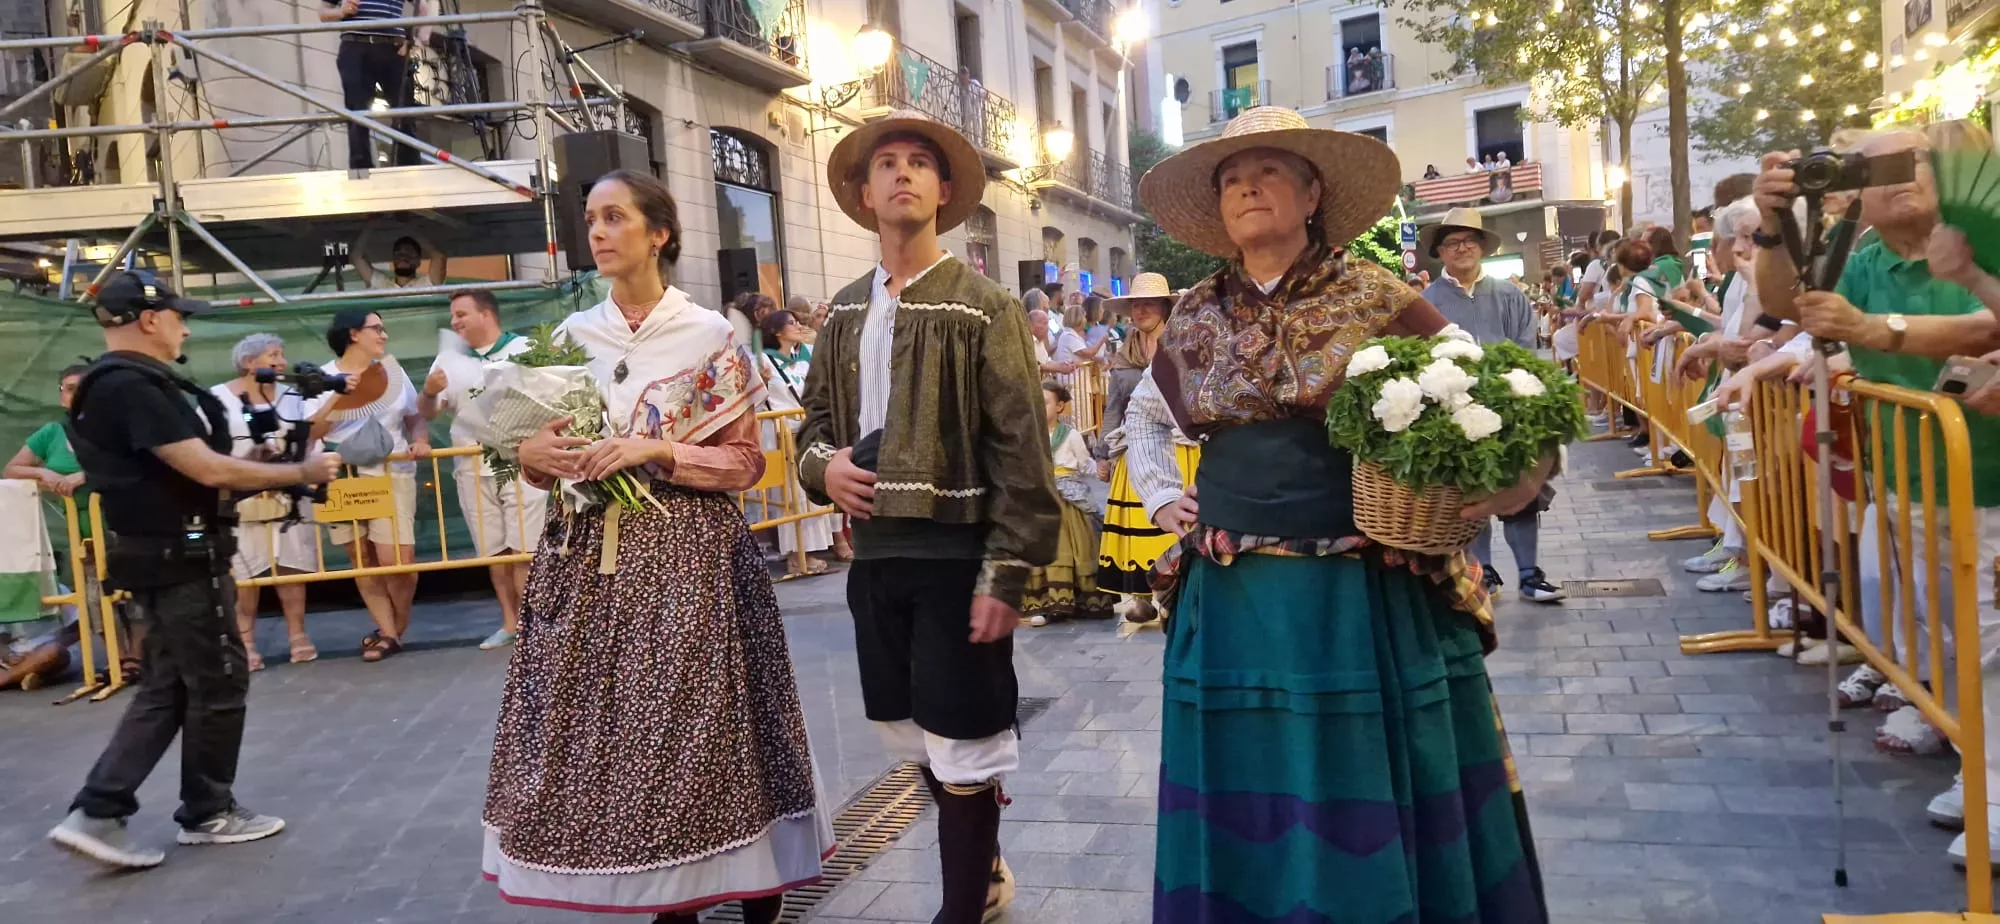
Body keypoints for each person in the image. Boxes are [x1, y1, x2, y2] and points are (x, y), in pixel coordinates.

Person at [1124, 106, 1550, 922]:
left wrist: (1519, 474)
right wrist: (1160, 497)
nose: (1248, 186)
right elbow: (1145, 415)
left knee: (1361, 770)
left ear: (1313, 191)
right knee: (1249, 781)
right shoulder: (1194, 315)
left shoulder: (1378, 296)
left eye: (1270, 170)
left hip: (1363, 588)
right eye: (1231, 178)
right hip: (1234, 592)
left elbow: (1486, 394)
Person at [483, 168, 831, 920]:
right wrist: (532, 458)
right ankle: (658, 890)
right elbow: (543, 457)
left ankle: (750, 879)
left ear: (659, 234)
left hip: (689, 566)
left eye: (615, 218)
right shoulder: (569, 340)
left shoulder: (708, 335)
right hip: (588, 570)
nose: (598, 233)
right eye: (591, 220)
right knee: (614, 749)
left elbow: (746, 462)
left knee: (707, 737)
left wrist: (659, 452)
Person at [796, 110, 1058, 923]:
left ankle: (965, 903)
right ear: (865, 191)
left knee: (965, 740)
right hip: (874, 561)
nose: (902, 173)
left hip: (956, 557)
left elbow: (1022, 447)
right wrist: (825, 468)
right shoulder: (841, 312)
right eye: (887, 164)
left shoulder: (984, 306)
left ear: (944, 192)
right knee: (907, 730)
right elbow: (811, 427)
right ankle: (984, 855)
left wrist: (1008, 571)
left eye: (920, 164)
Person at [1754, 124, 2000, 864]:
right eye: (1877, 166)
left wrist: (1876, 330)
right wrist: (1773, 227)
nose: (1898, 177)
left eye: (1912, 159)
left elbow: (1988, 324)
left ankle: (1993, 791)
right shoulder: (1858, 258)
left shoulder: (1979, 239)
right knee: (1945, 625)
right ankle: (1968, 751)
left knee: (1986, 637)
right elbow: (1792, 307)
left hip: (1986, 480)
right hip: (1903, 479)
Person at [46, 271, 342, 869]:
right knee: (218, 678)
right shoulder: (130, 385)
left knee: (170, 683)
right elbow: (203, 471)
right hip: (180, 556)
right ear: (149, 319)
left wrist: (251, 460)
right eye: (178, 314)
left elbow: (188, 467)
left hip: (163, 551)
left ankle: (102, 809)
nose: (184, 324)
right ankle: (204, 810)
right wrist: (297, 474)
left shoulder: (127, 384)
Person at [1421, 207, 1565, 603]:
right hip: (1457, 414)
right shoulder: (1427, 301)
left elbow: (1526, 347)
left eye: (1469, 240)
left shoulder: (1507, 293)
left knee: (1522, 494)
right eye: (1452, 242)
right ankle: (1485, 574)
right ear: (1440, 252)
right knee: (1472, 497)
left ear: (1482, 246)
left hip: (1511, 408)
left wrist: (1516, 390)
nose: (1462, 248)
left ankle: (1530, 574)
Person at [419, 288, 548, 650]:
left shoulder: (524, 349)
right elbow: (427, 411)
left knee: (525, 547)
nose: (455, 322)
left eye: (461, 314)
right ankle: (510, 622)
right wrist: (429, 392)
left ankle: (533, 625)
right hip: (471, 464)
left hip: (522, 463)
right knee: (493, 550)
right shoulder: (448, 357)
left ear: (486, 314)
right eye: (453, 316)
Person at [212, 335, 335, 671]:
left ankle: (298, 634)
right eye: (273, 355)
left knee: (292, 567)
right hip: (242, 495)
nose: (281, 362)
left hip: (288, 492)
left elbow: (311, 438)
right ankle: (246, 641)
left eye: (282, 354)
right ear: (248, 362)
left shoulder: (294, 395)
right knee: (245, 572)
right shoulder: (217, 398)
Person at [321, 308, 428, 661]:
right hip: (341, 475)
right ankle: (389, 633)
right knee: (361, 557)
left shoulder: (393, 373)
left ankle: (394, 628)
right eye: (377, 329)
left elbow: (415, 418)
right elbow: (310, 433)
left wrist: (421, 439)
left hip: (393, 473)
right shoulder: (323, 378)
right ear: (353, 334)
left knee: (397, 560)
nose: (384, 335)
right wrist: (339, 394)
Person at [1094, 273, 1198, 626]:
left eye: (1148, 304)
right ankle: (1140, 595)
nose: (1141, 311)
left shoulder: (1185, 347)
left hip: (1182, 449)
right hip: (1133, 445)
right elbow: (1114, 407)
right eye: (1135, 305)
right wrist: (1102, 452)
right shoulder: (1124, 357)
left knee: (1175, 522)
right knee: (1135, 523)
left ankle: (1174, 588)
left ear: (1165, 307)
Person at [3, 364, 97, 690]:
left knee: (134, 604)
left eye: (83, 387)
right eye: (69, 388)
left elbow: (133, 464)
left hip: (124, 526)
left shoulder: (118, 429)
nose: (76, 394)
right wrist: (44, 474)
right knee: (95, 603)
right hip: (80, 533)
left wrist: (84, 476)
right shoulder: (51, 433)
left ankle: (132, 665)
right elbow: (12, 470)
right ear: (61, 396)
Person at [756, 308, 844, 573]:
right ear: (776, 331)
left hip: (807, 429)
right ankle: (796, 555)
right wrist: (761, 380)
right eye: (790, 323)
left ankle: (813, 550)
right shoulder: (763, 359)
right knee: (791, 495)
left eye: (797, 321)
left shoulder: (803, 356)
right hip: (781, 431)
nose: (797, 326)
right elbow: (753, 396)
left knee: (810, 490)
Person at [1020, 382, 1112, 627]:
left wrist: (1103, 471)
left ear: (1060, 406)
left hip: (1069, 500)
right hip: (1041, 499)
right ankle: (1047, 603)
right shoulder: (1029, 434)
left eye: (1047, 402)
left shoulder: (1070, 435)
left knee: (1074, 548)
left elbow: (1084, 465)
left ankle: (1076, 600)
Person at [321, 0, 435, 173]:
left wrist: (418, 40)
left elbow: (424, 8)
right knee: (357, 111)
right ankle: (361, 170)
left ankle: (409, 168)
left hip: (393, 48)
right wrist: (341, 11)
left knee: (404, 110)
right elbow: (323, 12)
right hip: (355, 45)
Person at [349, 227, 446, 290]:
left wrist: (408, 226)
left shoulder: (428, 284)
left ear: (418, 261)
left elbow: (439, 256)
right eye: (398, 253)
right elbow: (356, 256)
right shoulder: (382, 284)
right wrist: (372, 223)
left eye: (409, 252)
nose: (403, 256)